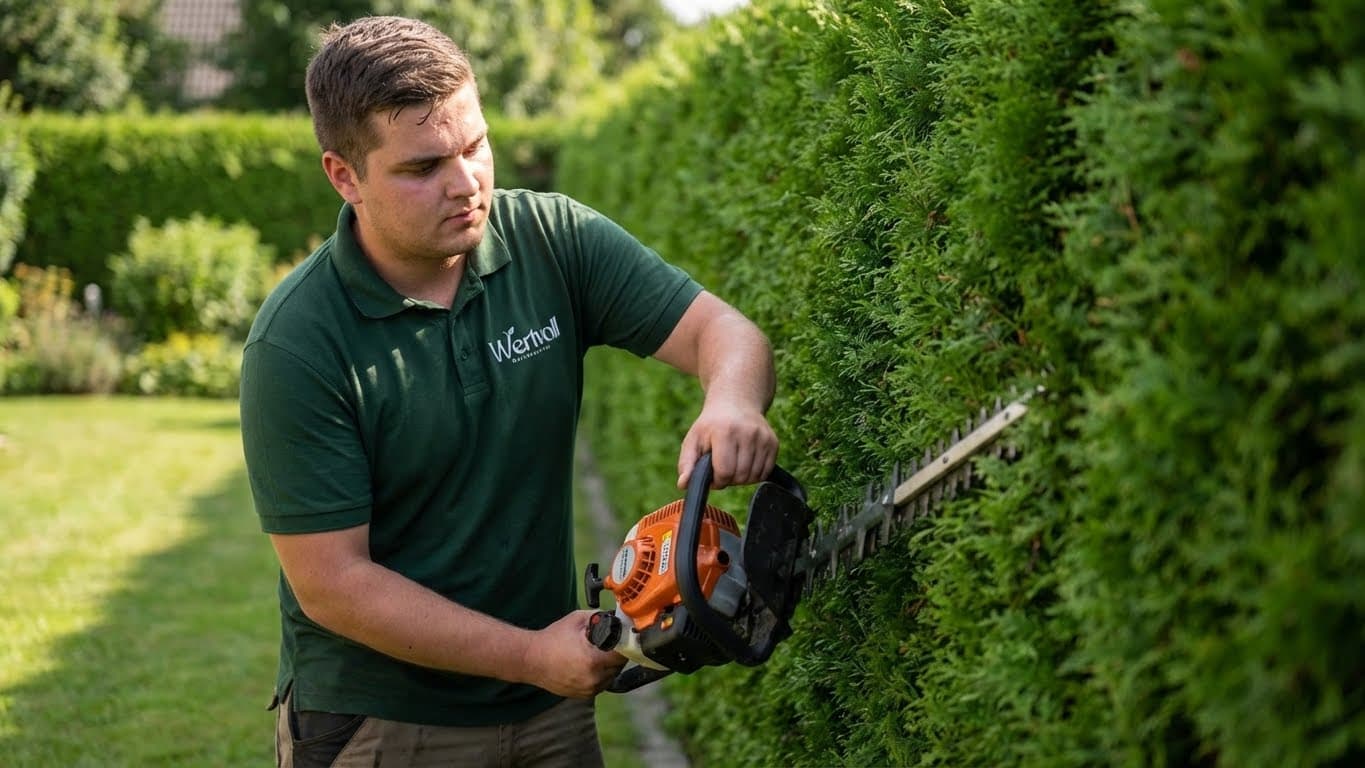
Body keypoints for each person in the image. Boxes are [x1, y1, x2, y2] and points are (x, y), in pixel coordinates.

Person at [238, 15, 779, 768]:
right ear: (344, 175)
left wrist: (731, 401)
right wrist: (530, 655)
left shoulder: (551, 241)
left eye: (475, 145)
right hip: (383, 724)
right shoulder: (298, 342)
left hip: (548, 706)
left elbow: (723, 333)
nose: (465, 183)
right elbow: (334, 584)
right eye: (423, 167)